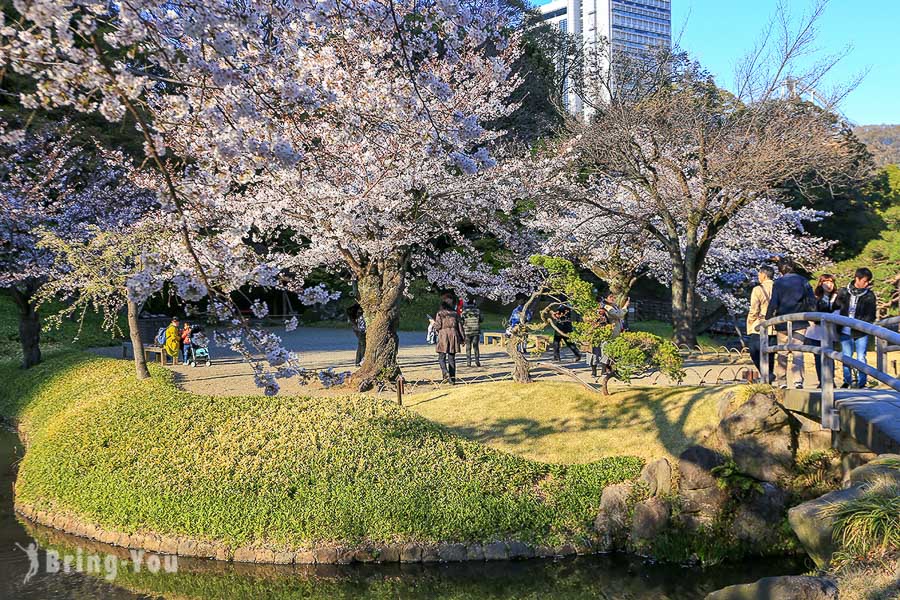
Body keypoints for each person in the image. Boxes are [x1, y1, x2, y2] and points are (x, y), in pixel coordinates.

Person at [765, 257, 816, 389]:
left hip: (782, 320)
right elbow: (811, 300)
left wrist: (768, 317)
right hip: (799, 320)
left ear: (780, 269)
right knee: (797, 350)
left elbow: (773, 302)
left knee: (782, 350)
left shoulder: (778, 282)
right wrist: (814, 315)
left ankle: (782, 381)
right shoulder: (803, 281)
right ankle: (798, 380)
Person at [833, 268, 877, 389]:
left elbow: (871, 314)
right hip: (845, 330)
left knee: (861, 356)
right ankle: (847, 381)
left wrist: (862, 324)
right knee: (846, 356)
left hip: (861, 331)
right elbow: (835, 307)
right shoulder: (843, 291)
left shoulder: (869, 295)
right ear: (857, 278)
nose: (867, 283)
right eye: (865, 281)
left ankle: (862, 382)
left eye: (868, 281)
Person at [804, 274, 838, 387]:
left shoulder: (836, 297)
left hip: (829, 331)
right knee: (818, 356)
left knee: (830, 356)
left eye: (831, 282)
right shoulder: (815, 297)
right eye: (826, 282)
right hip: (816, 331)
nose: (829, 285)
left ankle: (830, 380)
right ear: (821, 283)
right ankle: (821, 381)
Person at [746, 266, 776, 382]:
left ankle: (767, 374)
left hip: (761, 323)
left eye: (759, 274)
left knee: (754, 350)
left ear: (763, 275)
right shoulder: (778, 287)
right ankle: (768, 377)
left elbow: (754, 309)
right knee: (771, 354)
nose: (758, 277)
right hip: (775, 325)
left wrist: (750, 322)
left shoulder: (758, 289)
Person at [434, 297, 466, 384]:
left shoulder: (440, 313)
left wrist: (433, 323)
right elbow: (460, 327)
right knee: (452, 358)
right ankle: (452, 379)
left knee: (441, 357)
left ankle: (445, 372)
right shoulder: (455, 314)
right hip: (453, 335)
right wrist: (463, 339)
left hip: (443, 335)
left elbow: (438, 326)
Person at [588, 305, 611, 378]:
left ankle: (603, 370)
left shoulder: (607, 316)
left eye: (602, 309)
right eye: (599, 309)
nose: (600, 311)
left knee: (605, 352)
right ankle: (593, 371)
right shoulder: (591, 315)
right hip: (594, 336)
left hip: (604, 335)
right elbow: (587, 323)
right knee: (593, 353)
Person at [461, 299, 483, 367]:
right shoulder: (477, 311)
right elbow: (481, 319)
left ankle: (468, 362)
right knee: (476, 347)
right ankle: (477, 361)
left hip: (467, 331)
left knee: (468, 347)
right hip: (476, 330)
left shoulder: (464, 312)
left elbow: (461, 320)